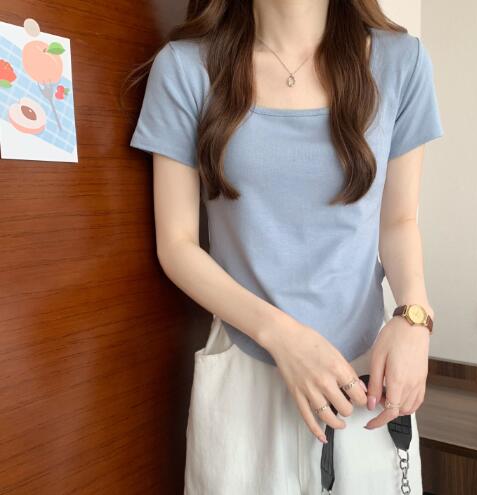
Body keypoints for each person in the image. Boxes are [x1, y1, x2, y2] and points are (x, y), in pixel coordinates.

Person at [128, 0, 444, 493]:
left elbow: (399, 221)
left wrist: (414, 317)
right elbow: (177, 244)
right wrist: (283, 337)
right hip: (245, 371)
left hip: (365, 378)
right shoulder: (186, 68)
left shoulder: (401, 62)